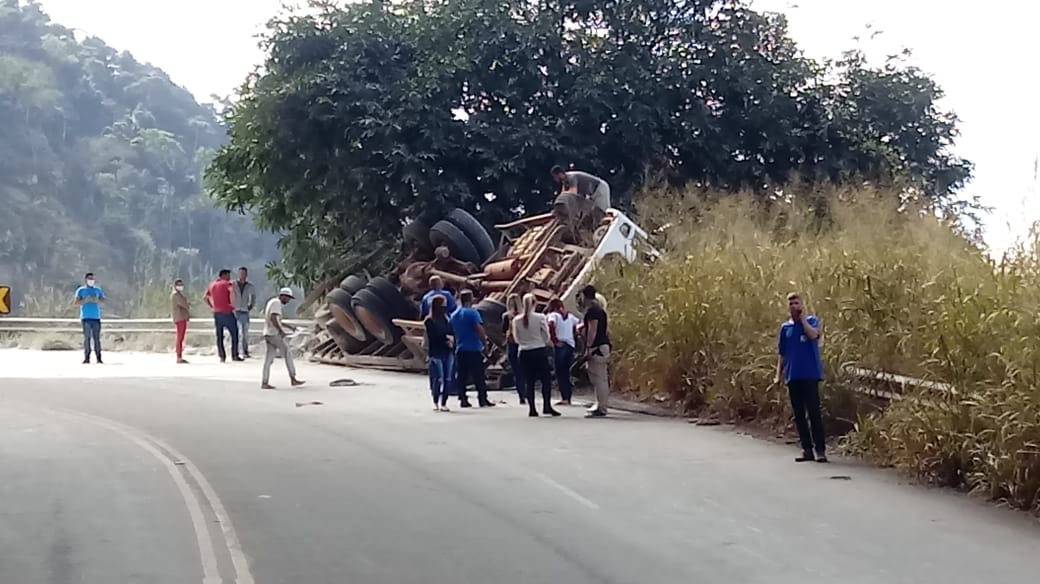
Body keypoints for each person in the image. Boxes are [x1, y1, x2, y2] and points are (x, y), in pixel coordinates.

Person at [775, 292, 827, 463]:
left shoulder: (811, 321)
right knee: (799, 415)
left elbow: (814, 336)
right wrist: (778, 375)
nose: (794, 306)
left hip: (810, 375)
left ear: (802, 304)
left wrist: (802, 320)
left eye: (796, 303)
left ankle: (820, 450)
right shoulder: (785, 328)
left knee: (814, 412)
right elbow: (782, 354)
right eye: (791, 304)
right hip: (793, 375)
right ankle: (807, 449)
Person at [512, 293, 561, 418]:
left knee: (529, 381)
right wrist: (543, 342)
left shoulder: (516, 320)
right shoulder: (540, 317)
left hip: (524, 352)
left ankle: (532, 408)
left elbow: (516, 338)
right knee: (545, 380)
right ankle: (546, 406)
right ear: (535, 303)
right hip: (538, 350)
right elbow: (546, 335)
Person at [449, 289, 494, 408]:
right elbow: (479, 328)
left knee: (462, 375)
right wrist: (485, 344)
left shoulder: (454, 314)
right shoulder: (472, 313)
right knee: (478, 375)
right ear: (471, 299)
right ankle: (482, 399)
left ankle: (463, 399)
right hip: (473, 347)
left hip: (460, 347)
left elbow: (452, 331)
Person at [261, 287, 305, 389]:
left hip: (268, 333)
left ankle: (264, 381)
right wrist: (281, 332)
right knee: (287, 353)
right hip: (274, 334)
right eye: (288, 298)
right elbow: (273, 318)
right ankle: (293, 378)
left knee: (268, 359)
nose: (288, 300)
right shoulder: (276, 303)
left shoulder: (272, 302)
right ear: (283, 296)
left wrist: (291, 327)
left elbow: (277, 319)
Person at [580, 285, 612, 417]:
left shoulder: (592, 311)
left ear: (584, 296)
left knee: (599, 378)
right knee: (598, 377)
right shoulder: (600, 310)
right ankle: (599, 404)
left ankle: (602, 407)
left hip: (597, 347)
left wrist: (588, 346)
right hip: (603, 346)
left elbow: (593, 330)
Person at [547, 297, 580, 406]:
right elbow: (579, 324)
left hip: (560, 345)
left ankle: (564, 397)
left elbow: (551, 325)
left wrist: (554, 340)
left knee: (560, 372)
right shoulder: (570, 316)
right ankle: (568, 397)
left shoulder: (553, 315)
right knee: (566, 372)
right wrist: (574, 334)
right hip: (570, 345)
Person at [204, 269, 242, 363]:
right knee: (234, 334)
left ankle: (222, 356)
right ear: (224, 275)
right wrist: (233, 306)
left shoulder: (212, 285)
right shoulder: (228, 284)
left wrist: (212, 306)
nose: (229, 278)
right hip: (227, 312)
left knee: (219, 336)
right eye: (228, 275)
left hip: (217, 313)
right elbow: (232, 295)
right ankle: (234, 355)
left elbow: (205, 298)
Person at [424, 295, 455, 411]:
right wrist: (446, 339)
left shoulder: (447, 319)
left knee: (448, 378)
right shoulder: (429, 321)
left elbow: (451, 331)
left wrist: (452, 340)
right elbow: (433, 336)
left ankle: (444, 402)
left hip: (448, 351)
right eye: (443, 304)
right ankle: (435, 400)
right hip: (436, 352)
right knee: (438, 378)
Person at [73, 272, 105, 364]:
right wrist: (85, 300)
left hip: (96, 317)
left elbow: (103, 301)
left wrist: (96, 300)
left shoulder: (97, 290)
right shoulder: (81, 290)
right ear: (86, 280)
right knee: (87, 338)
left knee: (96, 338)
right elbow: (75, 303)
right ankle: (87, 357)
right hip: (86, 317)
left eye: (92, 279)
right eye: (89, 279)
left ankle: (99, 357)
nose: (91, 280)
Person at [502, 293, 526, 405]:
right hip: (524, 344)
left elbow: (503, 331)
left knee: (516, 372)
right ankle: (527, 392)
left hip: (512, 345)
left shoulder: (506, 316)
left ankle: (521, 395)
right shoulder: (525, 315)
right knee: (525, 371)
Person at [233, 267, 257, 358]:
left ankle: (245, 350)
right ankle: (235, 350)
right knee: (235, 332)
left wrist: (251, 306)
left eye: (244, 273)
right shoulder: (233, 284)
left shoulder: (250, 286)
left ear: (246, 275)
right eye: (241, 273)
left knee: (244, 332)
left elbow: (253, 296)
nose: (242, 275)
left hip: (244, 311)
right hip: (235, 310)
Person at [171, 278, 190, 364]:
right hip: (180, 318)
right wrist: (187, 304)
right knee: (180, 337)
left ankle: (179, 355)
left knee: (181, 337)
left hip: (182, 318)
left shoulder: (178, 295)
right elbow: (184, 304)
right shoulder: (176, 295)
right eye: (179, 285)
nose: (181, 286)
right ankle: (179, 356)